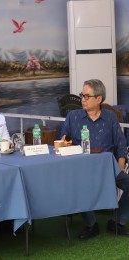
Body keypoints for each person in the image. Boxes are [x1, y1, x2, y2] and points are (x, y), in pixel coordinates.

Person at [60, 79, 129, 239]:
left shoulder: (111, 118)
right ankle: (91, 224)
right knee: (77, 184)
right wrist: (66, 144)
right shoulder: (73, 116)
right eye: (81, 95)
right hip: (81, 169)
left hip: (108, 168)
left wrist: (118, 168)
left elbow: (121, 145)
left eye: (86, 96)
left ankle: (117, 222)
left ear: (99, 99)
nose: (82, 99)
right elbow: (61, 142)